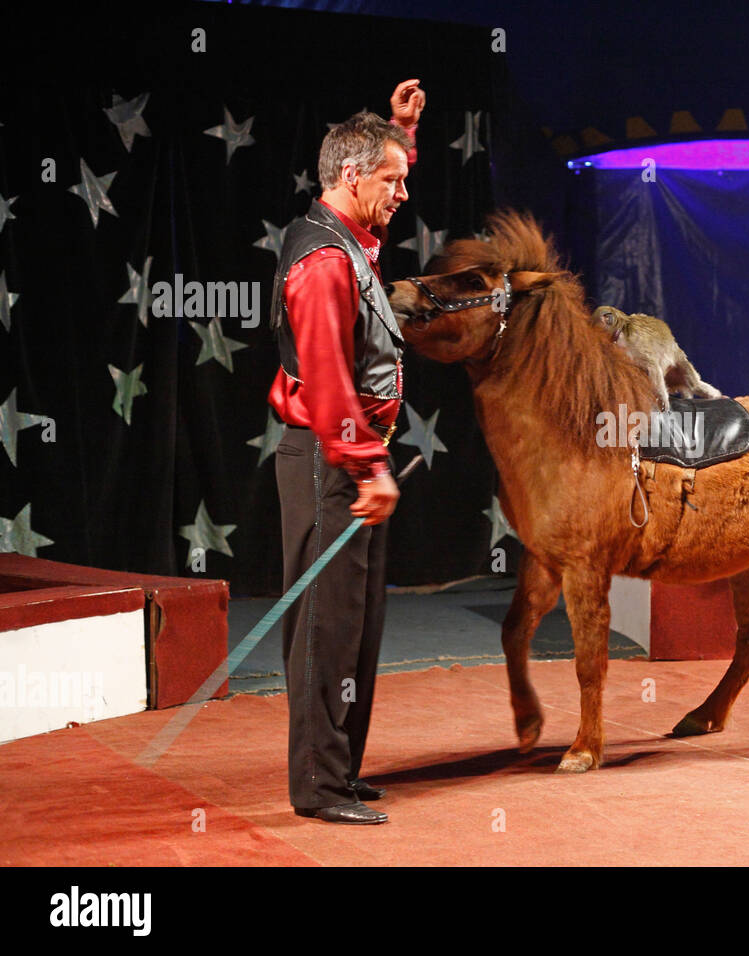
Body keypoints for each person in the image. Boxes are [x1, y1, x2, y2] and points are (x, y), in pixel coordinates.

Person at [267, 81, 425, 826]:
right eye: (391, 180)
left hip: (352, 462)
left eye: (404, 177)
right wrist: (367, 465)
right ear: (350, 177)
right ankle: (318, 785)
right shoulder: (324, 262)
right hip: (333, 463)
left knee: (356, 628)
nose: (402, 193)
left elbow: (373, 223)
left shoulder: (351, 242)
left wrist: (399, 129)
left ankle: (342, 768)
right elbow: (328, 377)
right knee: (325, 628)